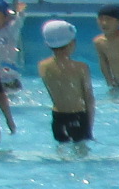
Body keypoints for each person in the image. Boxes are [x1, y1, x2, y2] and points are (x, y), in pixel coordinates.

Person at [36, 19, 93, 148]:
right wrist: (89, 128)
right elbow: (89, 98)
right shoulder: (81, 68)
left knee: (61, 151)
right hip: (78, 117)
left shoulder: (42, 66)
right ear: (72, 43)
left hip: (57, 118)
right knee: (81, 152)